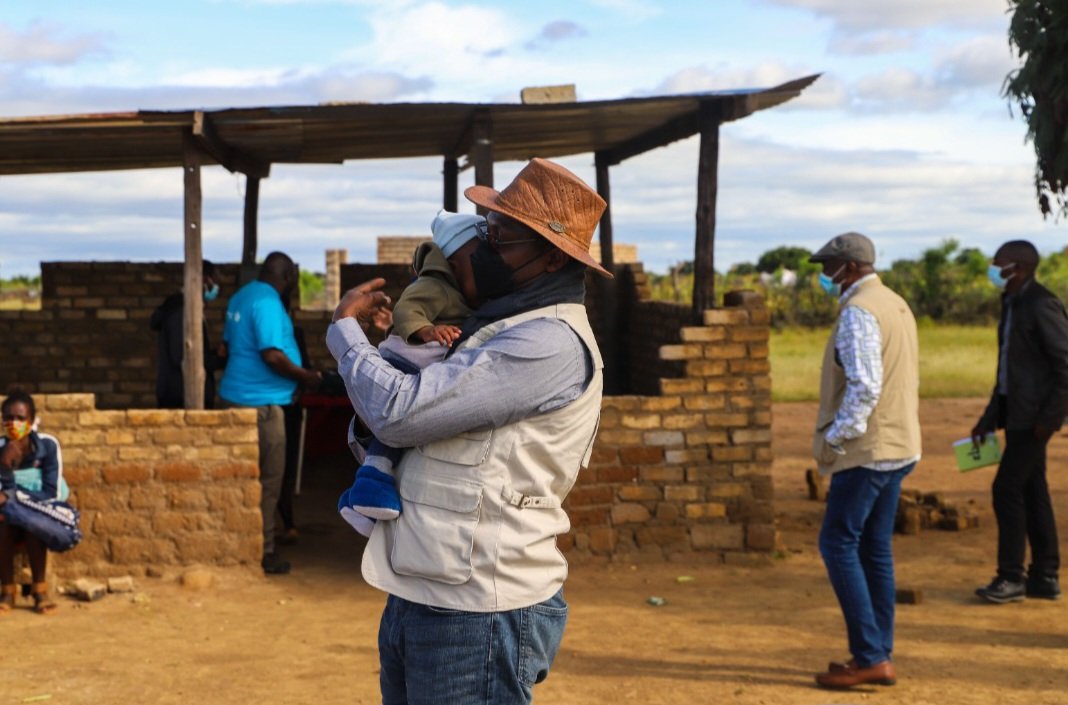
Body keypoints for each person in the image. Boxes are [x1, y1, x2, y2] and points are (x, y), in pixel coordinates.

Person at [327, 158, 609, 705]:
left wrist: (345, 332)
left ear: (551, 257)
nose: (484, 249)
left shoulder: (545, 343)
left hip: (480, 609)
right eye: (487, 232)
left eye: (500, 239)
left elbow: (400, 414)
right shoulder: (491, 329)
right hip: (424, 587)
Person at [809, 232, 921, 689]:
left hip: (867, 450)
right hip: (900, 446)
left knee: (837, 544)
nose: (824, 275)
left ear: (849, 268)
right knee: (874, 549)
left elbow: (865, 387)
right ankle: (877, 651)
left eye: (829, 266)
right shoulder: (894, 302)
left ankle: (871, 655)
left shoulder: (859, 310)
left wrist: (837, 440)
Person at [338, 210, 482, 537]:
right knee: (396, 422)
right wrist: (429, 330)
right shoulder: (435, 282)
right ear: (454, 260)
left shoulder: (458, 289)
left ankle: (355, 502)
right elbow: (407, 310)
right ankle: (369, 486)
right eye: (478, 256)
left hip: (419, 359)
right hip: (407, 362)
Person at [971, 240, 1068, 603]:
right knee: (1032, 489)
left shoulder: (1041, 304)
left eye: (999, 264)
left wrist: (1051, 419)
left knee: (1006, 489)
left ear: (1019, 267)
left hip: (1035, 420)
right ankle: (1044, 576)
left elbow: (1065, 365)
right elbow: (1009, 373)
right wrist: (987, 419)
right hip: (1018, 415)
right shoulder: (1012, 304)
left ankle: (1010, 576)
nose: (993, 270)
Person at [219, 252, 321, 575]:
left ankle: (238, 545)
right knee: (269, 481)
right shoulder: (267, 303)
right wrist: (306, 377)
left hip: (234, 398)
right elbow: (272, 356)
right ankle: (263, 552)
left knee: (242, 480)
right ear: (288, 277)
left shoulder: (240, 297)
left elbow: (225, 349)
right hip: (261, 405)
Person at [0, 390, 63, 615]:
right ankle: (7, 592)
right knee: (6, 523)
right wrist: (5, 465)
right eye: (8, 417)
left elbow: (51, 491)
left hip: (39, 511)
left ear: (32, 420)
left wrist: (18, 501)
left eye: (19, 418)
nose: (13, 423)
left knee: (31, 524)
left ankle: (39, 591)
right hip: (5, 516)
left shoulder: (47, 446)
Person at [149, 260, 226, 409]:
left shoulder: (182, 308)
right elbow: (183, 356)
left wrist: (214, 354)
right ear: (204, 280)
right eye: (215, 282)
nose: (216, 288)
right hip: (181, 397)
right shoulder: (182, 312)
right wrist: (219, 360)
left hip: (177, 393)